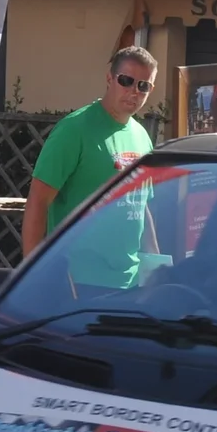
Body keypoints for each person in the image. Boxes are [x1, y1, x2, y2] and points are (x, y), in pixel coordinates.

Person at [21, 46, 157, 291]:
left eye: (143, 85)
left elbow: (143, 205)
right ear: (109, 78)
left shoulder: (142, 137)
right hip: (78, 280)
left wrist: (155, 266)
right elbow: (38, 200)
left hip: (132, 282)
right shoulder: (74, 130)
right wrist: (33, 277)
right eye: (126, 81)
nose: (134, 92)